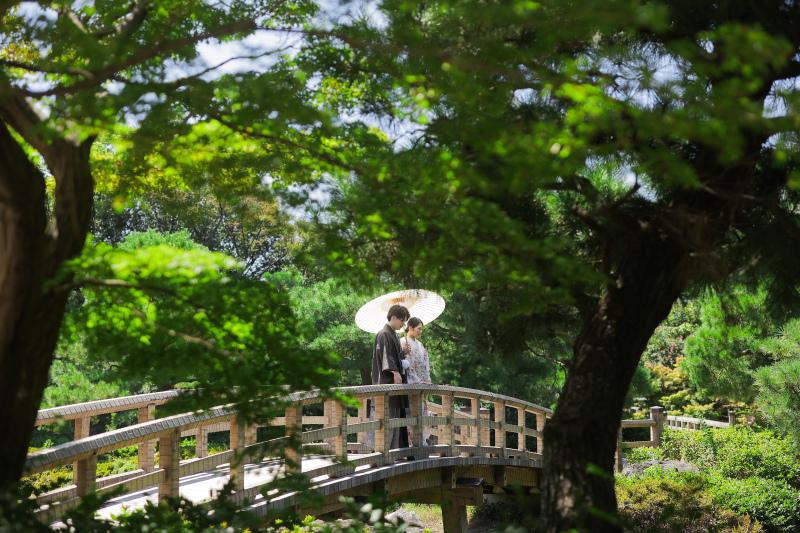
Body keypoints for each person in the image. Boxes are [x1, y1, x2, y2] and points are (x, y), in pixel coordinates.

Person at [370, 304, 411, 450]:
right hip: (387, 380)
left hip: (395, 381)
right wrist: (394, 371)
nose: (403, 324)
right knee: (387, 418)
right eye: (402, 321)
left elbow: (394, 356)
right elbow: (385, 355)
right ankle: (383, 452)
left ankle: (394, 452)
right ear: (393, 318)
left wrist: (403, 352)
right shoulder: (383, 333)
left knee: (395, 418)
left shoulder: (393, 334)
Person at [401, 317, 432, 446]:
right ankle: (411, 442)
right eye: (419, 329)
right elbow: (406, 365)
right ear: (410, 328)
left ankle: (422, 440)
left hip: (422, 382)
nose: (420, 331)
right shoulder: (403, 342)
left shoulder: (420, 344)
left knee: (422, 411)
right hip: (412, 382)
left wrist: (426, 380)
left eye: (421, 329)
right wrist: (417, 381)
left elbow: (425, 364)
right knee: (411, 412)